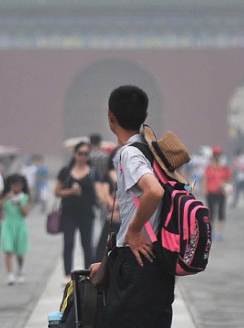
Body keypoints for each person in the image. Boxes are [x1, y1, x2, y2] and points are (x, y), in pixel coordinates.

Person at [93, 85, 175, 328]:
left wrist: (134, 230)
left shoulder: (129, 153)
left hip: (138, 259)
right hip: (157, 257)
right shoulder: (154, 150)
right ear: (144, 117)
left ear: (110, 116)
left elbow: (154, 191)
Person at [55, 141, 98, 275]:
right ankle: (67, 274)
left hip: (86, 213)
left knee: (87, 245)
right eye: (80, 153)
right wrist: (71, 192)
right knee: (68, 244)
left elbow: (99, 191)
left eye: (86, 154)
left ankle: (88, 274)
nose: (83, 157)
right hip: (69, 213)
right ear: (75, 154)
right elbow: (57, 191)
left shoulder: (93, 172)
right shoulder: (66, 171)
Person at [0, 173, 31, 285]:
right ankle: (10, 275)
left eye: (19, 185)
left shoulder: (24, 197)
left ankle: (20, 269)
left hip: (20, 225)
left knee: (20, 252)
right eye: (14, 185)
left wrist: (19, 203)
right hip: (8, 224)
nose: (16, 187)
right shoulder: (7, 196)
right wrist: (7, 198)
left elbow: (25, 213)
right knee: (8, 249)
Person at [203, 148, 231, 241]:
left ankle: (220, 232)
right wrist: (205, 189)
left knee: (221, 212)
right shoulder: (209, 167)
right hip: (211, 192)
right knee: (211, 213)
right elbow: (205, 179)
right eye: (215, 155)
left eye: (218, 155)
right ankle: (212, 231)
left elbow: (229, 178)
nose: (217, 157)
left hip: (221, 192)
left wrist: (223, 184)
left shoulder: (224, 167)